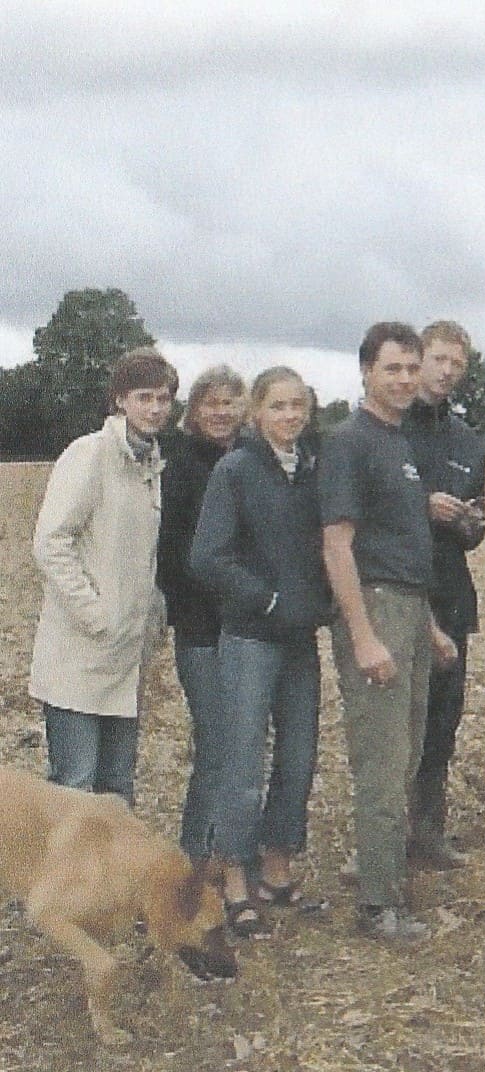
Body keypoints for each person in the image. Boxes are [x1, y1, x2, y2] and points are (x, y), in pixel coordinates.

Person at [320, 322, 456, 943]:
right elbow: (339, 545)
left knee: (405, 760)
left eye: (411, 369)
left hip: (406, 611)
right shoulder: (349, 442)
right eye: (392, 370)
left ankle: (388, 881)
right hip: (373, 613)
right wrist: (364, 636)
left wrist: (427, 629)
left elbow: (401, 549)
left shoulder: (397, 444)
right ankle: (378, 907)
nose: (404, 380)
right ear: (366, 373)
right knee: (380, 767)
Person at [191, 367, 330, 937]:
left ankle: (277, 870)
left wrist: (320, 603)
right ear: (257, 413)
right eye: (278, 406)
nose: (290, 416)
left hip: (300, 641)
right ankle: (234, 883)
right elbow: (208, 557)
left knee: (297, 758)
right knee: (242, 762)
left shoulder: (313, 471)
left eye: (298, 405)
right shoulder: (237, 470)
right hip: (251, 637)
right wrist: (267, 600)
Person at [29, 347, 179, 804]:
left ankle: (113, 880)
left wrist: (148, 618)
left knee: (116, 794)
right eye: (144, 396)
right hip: (78, 656)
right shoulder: (89, 454)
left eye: (164, 398)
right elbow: (51, 543)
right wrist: (96, 615)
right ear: (119, 400)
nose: (155, 408)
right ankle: (67, 880)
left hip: (123, 659)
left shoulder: (151, 464)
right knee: (74, 791)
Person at [402, 320, 485, 869]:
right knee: (396, 726)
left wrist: (470, 523)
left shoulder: (468, 442)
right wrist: (421, 507)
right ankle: (384, 840)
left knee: (441, 721)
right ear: (419, 358)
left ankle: (429, 833)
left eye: (457, 363)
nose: (447, 371)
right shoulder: (388, 428)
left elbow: (476, 526)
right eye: (438, 359)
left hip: (451, 594)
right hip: (398, 593)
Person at [157, 365, 247, 861]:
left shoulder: (251, 461)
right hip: (201, 630)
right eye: (210, 404)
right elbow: (172, 556)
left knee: (242, 745)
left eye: (230, 402)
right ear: (193, 412)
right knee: (216, 744)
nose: (220, 412)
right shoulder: (181, 467)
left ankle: (230, 854)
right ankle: (195, 854)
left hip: (248, 629)